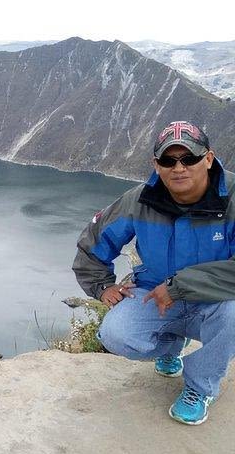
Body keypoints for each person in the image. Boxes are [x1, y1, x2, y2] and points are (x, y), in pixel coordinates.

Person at [72, 120, 235, 425]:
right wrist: (101, 286)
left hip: (214, 301)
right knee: (115, 333)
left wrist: (178, 286)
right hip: (153, 294)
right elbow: (95, 240)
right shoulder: (139, 200)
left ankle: (199, 387)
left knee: (233, 314)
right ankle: (172, 344)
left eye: (189, 158)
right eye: (168, 160)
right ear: (156, 165)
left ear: (209, 158)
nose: (179, 168)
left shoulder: (233, 199)